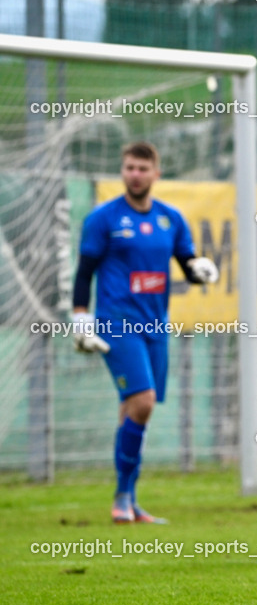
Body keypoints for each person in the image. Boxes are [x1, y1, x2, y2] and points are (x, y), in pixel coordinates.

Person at [72, 141, 219, 524]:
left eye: (142, 168)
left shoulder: (171, 219)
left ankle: (128, 500)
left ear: (156, 173)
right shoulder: (103, 218)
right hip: (117, 322)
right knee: (143, 401)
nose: (135, 174)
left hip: (155, 325)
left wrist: (200, 268)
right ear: (123, 172)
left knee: (133, 409)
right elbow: (85, 270)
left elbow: (186, 262)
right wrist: (80, 316)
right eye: (129, 168)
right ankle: (122, 495)